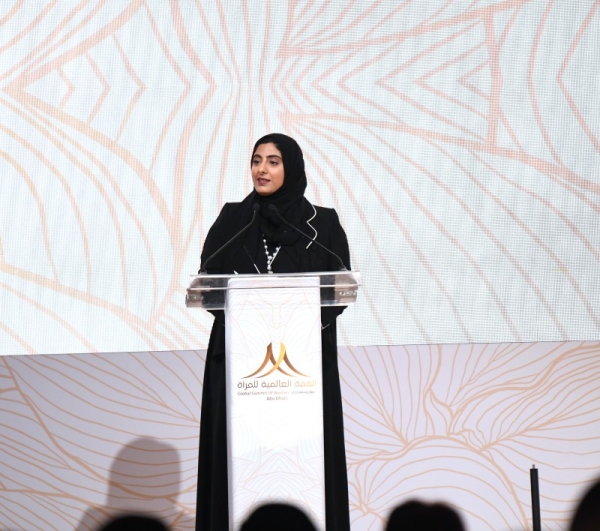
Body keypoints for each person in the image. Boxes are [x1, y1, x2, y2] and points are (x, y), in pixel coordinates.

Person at [195, 133, 351, 531]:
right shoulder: (233, 219)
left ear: (292, 168)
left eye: (273, 161)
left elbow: (339, 288)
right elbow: (208, 279)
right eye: (256, 160)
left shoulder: (324, 223)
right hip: (237, 360)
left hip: (303, 363)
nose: (261, 169)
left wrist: (294, 324)